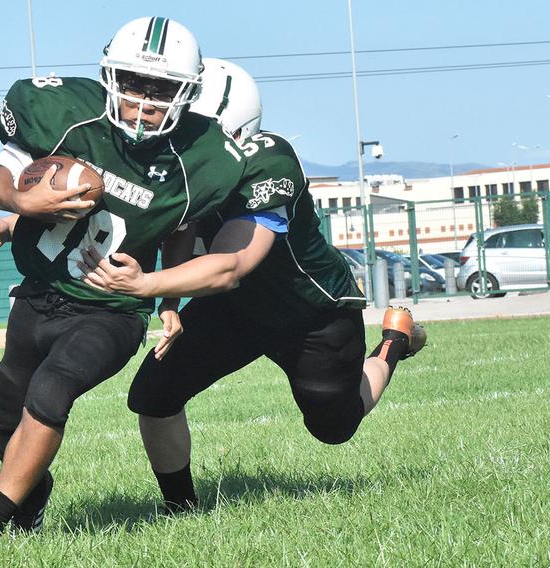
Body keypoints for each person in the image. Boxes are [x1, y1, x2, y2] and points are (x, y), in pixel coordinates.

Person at [0, 19, 305, 550]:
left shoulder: (204, 159)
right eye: (135, 83)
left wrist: (165, 297)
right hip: (39, 293)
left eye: (162, 89)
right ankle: (30, 494)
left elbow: (181, 228)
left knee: (54, 390)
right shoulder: (67, 115)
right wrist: (17, 208)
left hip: (110, 309)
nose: (144, 101)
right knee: (9, 416)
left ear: (189, 94)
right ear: (109, 76)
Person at [77, 58, 427, 512]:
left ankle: (395, 340)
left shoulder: (269, 161)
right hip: (235, 309)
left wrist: (145, 283)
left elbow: (230, 264)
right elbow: (173, 225)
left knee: (334, 427)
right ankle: (182, 510)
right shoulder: (180, 163)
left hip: (308, 312)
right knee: (154, 394)